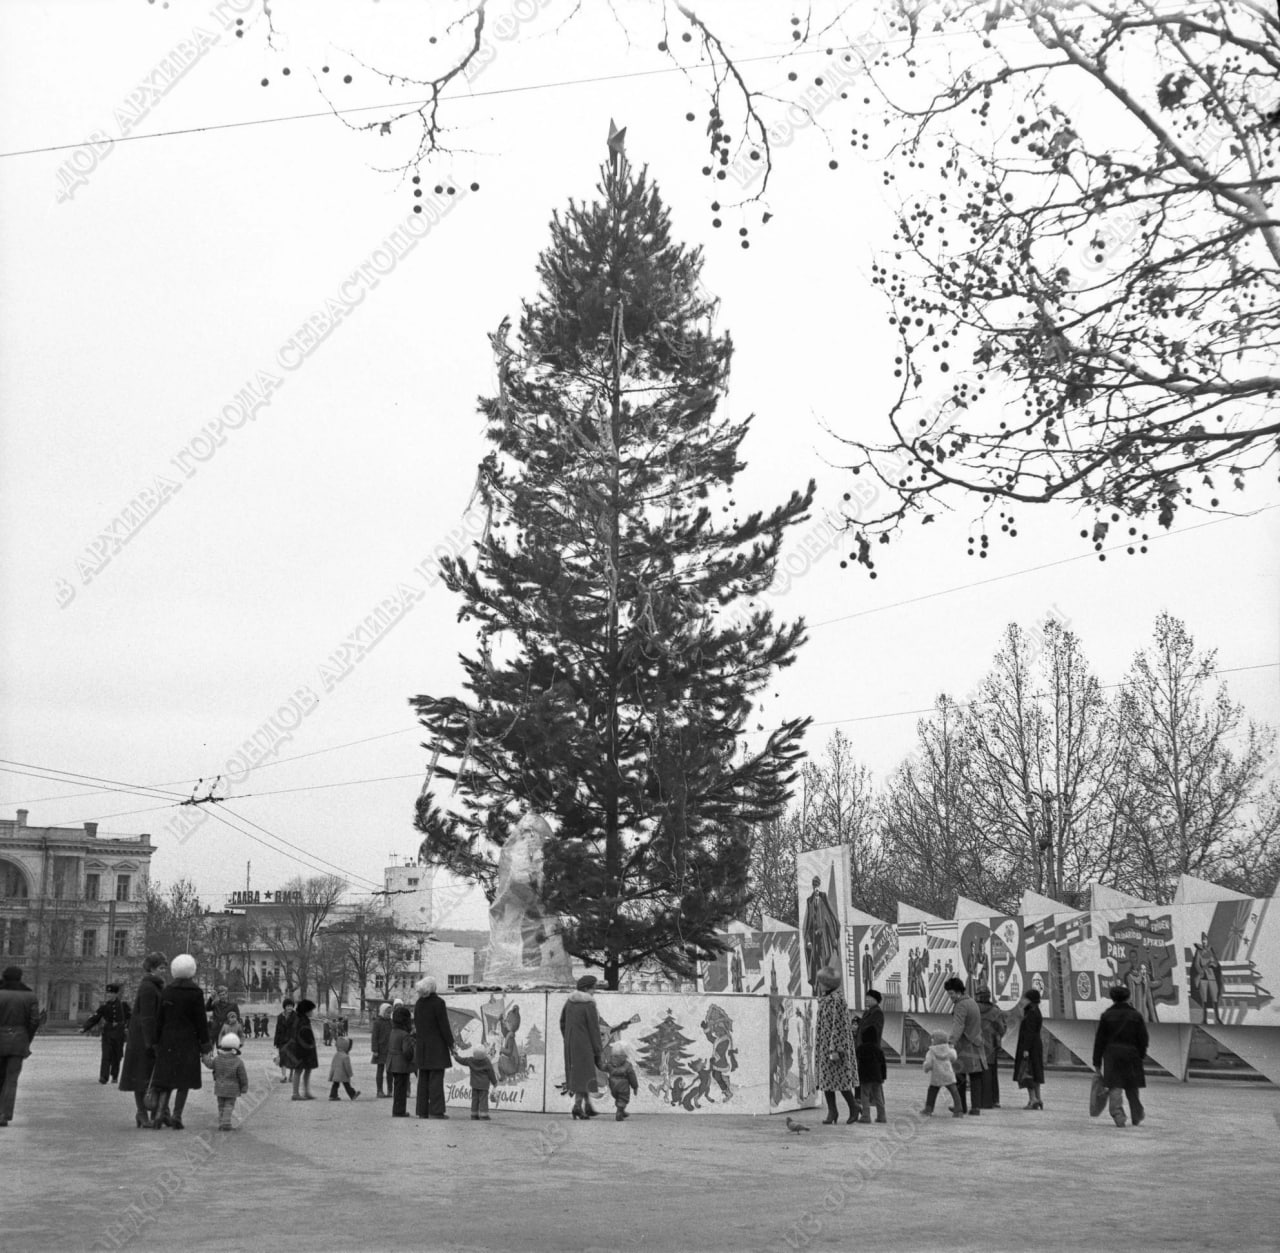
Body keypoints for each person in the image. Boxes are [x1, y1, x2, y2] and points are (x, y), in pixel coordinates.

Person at [150, 954, 212, 1130]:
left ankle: (160, 1114)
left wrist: (155, 1041)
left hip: (168, 1040)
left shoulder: (167, 991)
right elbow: (201, 1022)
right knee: (184, 1081)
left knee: (166, 1079)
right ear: (192, 971)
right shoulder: (196, 993)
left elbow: (159, 1019)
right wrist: (205, 1045)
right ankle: (177, 1115)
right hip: (188, 1041)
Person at [119, 952, 166, 1128]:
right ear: (152, 968)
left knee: (151, 1077)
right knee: (141, 1077)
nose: (163, 971)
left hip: (148, 1037)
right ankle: (142, 1113)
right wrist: (151, 1042)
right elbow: (147, 1017)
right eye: (161, 968)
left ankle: (154, 1113)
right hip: (143, 1039)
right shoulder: (148, 987)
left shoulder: (155, 986)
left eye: (164, 968)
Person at [1093, 985, 1149, 1127]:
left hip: (1112, 1055)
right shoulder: (1136, 1015)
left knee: (1115, 1086)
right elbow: (1143, 1038)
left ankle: (1118, 1115)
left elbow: (1099, 1040)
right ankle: (1137, 1115)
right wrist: (1141, 1054)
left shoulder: (1106, 1016)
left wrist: (1097, 1061)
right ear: (1128, 997)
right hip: (1132, 1054)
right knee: (1132, 1087)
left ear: (1112, 998)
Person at [812, 967, 859, 1125]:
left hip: (834, 1048)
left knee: (841, 1080)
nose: (819, 985)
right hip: (824, 1047)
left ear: (827, 983)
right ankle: (832, 1111)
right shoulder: (825, 999)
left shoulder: (837, 1000)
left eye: (821, 982)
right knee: (826, 1080)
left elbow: (838, 1026)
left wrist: (835, 1048)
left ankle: (853, 1107)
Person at [0, 964, 40, 1128]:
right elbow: (35, 1021)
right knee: (11, 1080)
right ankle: (4, 1114)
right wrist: (26, 1038)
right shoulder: (30, 996)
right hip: (19, 1040)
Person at [561, 974, 604, 1119]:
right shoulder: (589, 1005)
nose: (594, 991)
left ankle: (588, 1105)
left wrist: (568, 1038)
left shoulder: (569, 1002)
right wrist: (598, 1049)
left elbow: (562, 1022)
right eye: (593, 988)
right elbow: (594, 1029)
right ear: (586, 989)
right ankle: (577, 1106)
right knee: (584, 1075)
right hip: (585, 1044)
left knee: (580, 1074)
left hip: (571, 1044)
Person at [414, 977, 455, 1119]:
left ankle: (422, 1111)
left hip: (422, 1047)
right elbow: (444, 1026)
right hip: (437, 1047)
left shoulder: (418, 1003)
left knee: (423, 1080)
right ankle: (436, 1111)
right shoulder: (438, 1003)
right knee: (436, 1080)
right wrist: (451, 1044)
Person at [944, 976, 985, 1116]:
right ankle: (976, 1107)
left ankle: (960, 1106)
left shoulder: (960, 1005)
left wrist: (951, 1043)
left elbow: (958, 1025)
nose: (950, 997)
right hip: (976, 1042)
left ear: (958, 992)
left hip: (965, 1044)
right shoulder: (972, 1002)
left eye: (951, 993)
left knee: (959, 1077)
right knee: (975, 1077)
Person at [82, 982, 131, 1084]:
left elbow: (131, 1017)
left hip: (119, 1032)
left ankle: (114, 1075)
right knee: (106, 1055)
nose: (109, 995)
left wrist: (128, 1028)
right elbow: (95, 1017)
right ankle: (104, 1077)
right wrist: (85, 1027)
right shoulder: (104, 1006)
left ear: (116, 994)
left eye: (111, 993)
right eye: (108, 993)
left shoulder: (123, 1005)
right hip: (108, 1032)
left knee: (117, 1055)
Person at [802, 876, 842, 994]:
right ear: (813, 887)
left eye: (818, 886)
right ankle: (818, 988)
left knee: (826, 960)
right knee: (815, 963)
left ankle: (825, 987)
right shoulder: (809, 901)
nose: (816, 888)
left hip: (825, 938)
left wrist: (834, 937)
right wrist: (808, 940)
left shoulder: (824, 898)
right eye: (814, 886)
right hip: (814, 939)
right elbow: (807, 922)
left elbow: (831, 917)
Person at [203, 1031, 249, 1131]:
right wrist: (244, 1087)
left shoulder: (217, 1059)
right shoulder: (238, 1061)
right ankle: (226, 1123)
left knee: (221, 1106)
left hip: (219, 1087)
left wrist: (205, 1057)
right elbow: (243, 1076)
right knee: (229, 1105)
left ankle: (221, 1123)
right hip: (232, 1089)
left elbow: (210, 1064)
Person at [855, 988, 887, 1124]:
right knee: (877, 1091)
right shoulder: (867, 1012)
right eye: (866, 997)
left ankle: (866, 1116)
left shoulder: (877, 1013)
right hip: (876, 1071)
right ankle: (881, 1115)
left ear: (876, 1000)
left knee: (866, 1092)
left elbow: (874, 1029)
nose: (866, 999)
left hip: (868, 1054)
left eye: (869, 998)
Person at [1012, 988, 1045, 1110]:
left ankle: (1032, 1099)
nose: (1023, 1000)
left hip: (1029, 1047)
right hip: (1036, 1046)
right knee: (1035, 1072)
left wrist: (1026, 1049)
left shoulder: (1031, 1013)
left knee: (1027, 1073)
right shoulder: (1035, 1011)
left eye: (1025, 998)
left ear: (1031, 1000)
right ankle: (1038, 1098)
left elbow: (1029, 1032)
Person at [919, 1030, 962, 1116]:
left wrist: (926, 1069)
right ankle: (958, 1110)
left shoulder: (931, 1052)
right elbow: (954, 1057)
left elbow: (929, 1063)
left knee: (932, 1091)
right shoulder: (948, 1050)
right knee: (954, 1092)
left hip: (936, 1075)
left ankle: (928, 1109)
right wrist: (952, 1049)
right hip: (948, 1074)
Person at [975, 988, 1006, 1109]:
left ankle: (978, 1100)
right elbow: (1002, 1028)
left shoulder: (973, 1008)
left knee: (976, 1074)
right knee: (991, 1073)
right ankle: (992, 1101)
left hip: (974, 1045)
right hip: (990, 1046)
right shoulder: (995, 1011)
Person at [387, 1005, 415, 1118]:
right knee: (401, 1089)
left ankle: (397, 1109)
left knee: (397, 1087)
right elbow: (407, 1051)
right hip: (402, 1064)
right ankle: (399, 1111)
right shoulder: (405, 1034)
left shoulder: (393, 1031)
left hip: (392, 1063)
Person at [459, 1043, 498, 1120]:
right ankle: (483, 1115)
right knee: (483, 1100)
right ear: (484, 1053)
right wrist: (495, 1083)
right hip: (484, 1086)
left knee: (475, 1100)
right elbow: (491, 1073)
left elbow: (461, 1060)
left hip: (474, 1085)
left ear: (474, 1054)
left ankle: (474, 1114)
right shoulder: (486, 1061)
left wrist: (455, 1056)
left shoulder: (471, 1060)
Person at [290, 999, 319, 1100]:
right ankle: (295, 1093)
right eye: (311, 1010)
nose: (312, 1012)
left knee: (307, 1069)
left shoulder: (303, 1019)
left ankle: (306, 1092)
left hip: (305, 1049)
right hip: (301, 1050)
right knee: (299, 1070)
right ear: (306, 1011)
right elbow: (302, 1036)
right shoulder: (300, 1021)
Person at [605, 1043, 639, 1121]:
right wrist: (635, 1087)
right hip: (623, 1085)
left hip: (612, 1085)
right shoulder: (627, 1065)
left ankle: (622, 1111)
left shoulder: (610, 1064)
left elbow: (603, 1067)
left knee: (618, 1098)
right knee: (623, 1099)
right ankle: (619, 1113)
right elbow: (632, 1077)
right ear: (625, 1055)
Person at [328, 1035, 361, 1101]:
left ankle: (333, 1095)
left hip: (336, 1074)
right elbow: (347, 1066)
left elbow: (333, 1065)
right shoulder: (345, 1057)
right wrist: (350, 1074)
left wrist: (332, 1074)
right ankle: (352, 1094)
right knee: (347, 1085)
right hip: (343, 1074)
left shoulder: (336, 1054)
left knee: (335, 1085)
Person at [371, 1002, 393, 1098]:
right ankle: (379, 1090)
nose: (389, 1014)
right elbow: (374, 1037)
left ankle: (390, 1090)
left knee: (390, 1071)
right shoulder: (377, 1022)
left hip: (390, 1049)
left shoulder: (391, 1022)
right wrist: (375, 1049)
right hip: (380, 1050)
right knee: (380, 1070)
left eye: (390, 1013)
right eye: (387, 1013)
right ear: (383, 1012)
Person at [274, 997, 297, 1083]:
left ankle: (291, 1075)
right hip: (282, 1041)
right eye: (288, 1006)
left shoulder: (296, 1016)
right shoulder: (280, 1017)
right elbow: (277, 1029)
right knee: (283, 1059)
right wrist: (276, 1041)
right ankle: (283, 1076)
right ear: (285, 1007)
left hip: (292, 1041)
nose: (289, 1008)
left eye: (291, 1006)